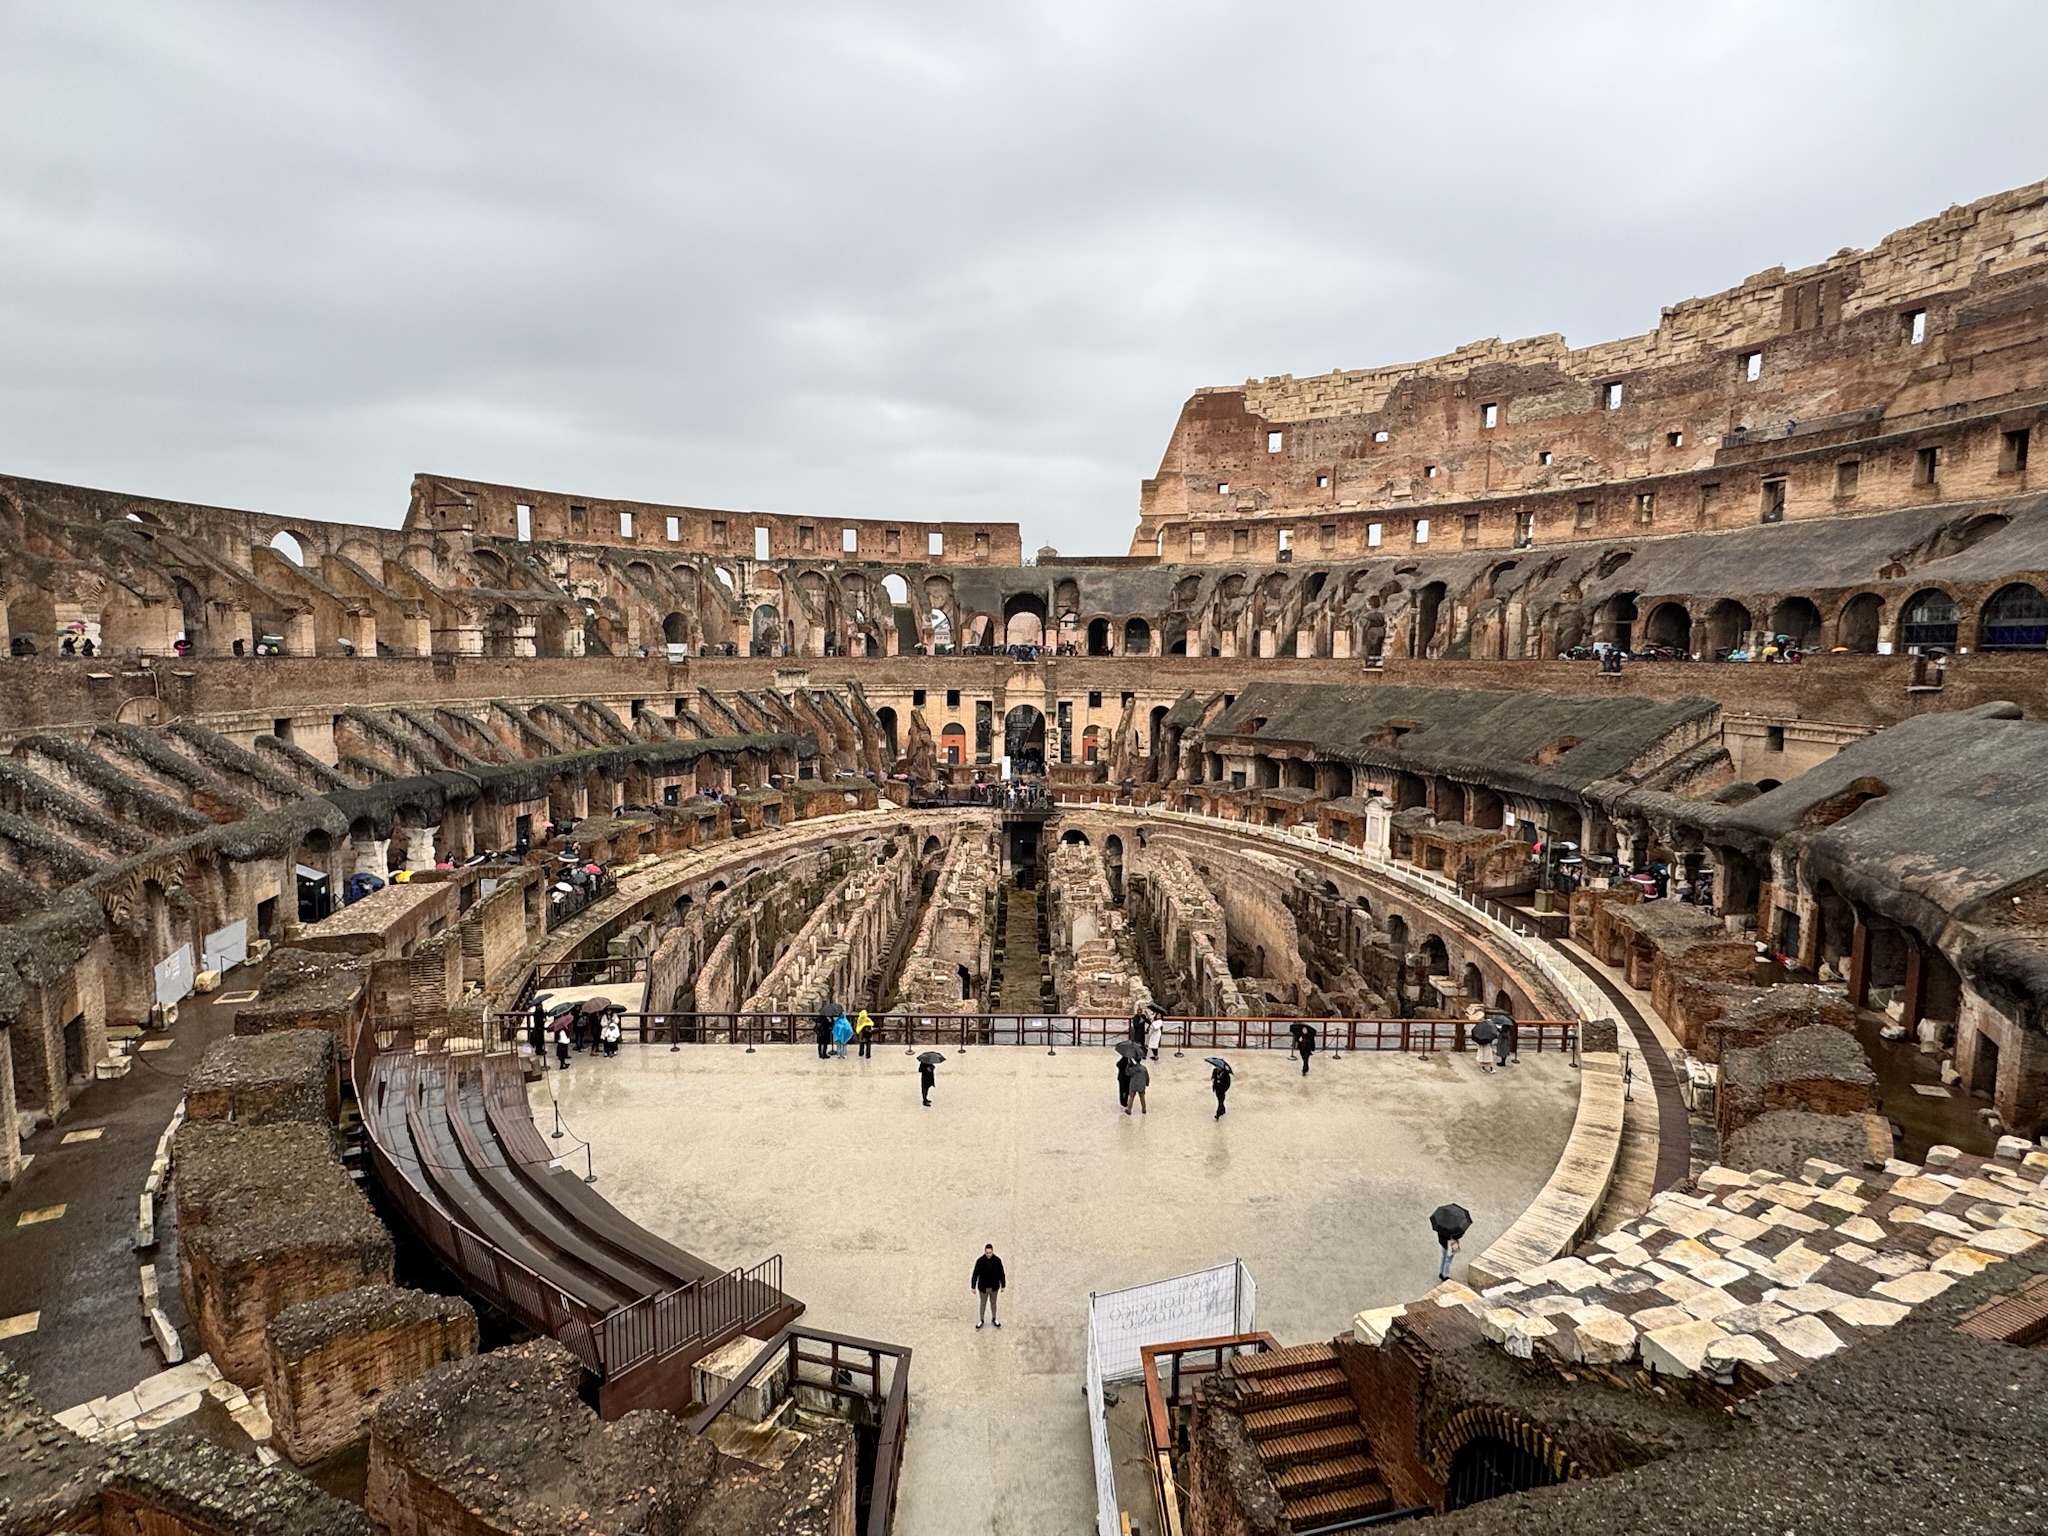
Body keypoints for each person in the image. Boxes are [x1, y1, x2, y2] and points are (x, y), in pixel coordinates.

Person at [970, 1244, 1006, 1329]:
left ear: (992, 1251)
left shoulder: (997, 1261)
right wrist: (973, 1286)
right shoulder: (980, 1261)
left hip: (994, 1287)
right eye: (987, 1252)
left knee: (993, 1303)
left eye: (990, 1252)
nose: (988, 1254)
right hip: (983, 1288)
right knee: (983, 1303)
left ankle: (994, 1318)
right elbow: (975, 1274)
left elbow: (1001, 1273)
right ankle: (981, 1320)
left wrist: (1003, 1285)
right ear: (984, 1252)